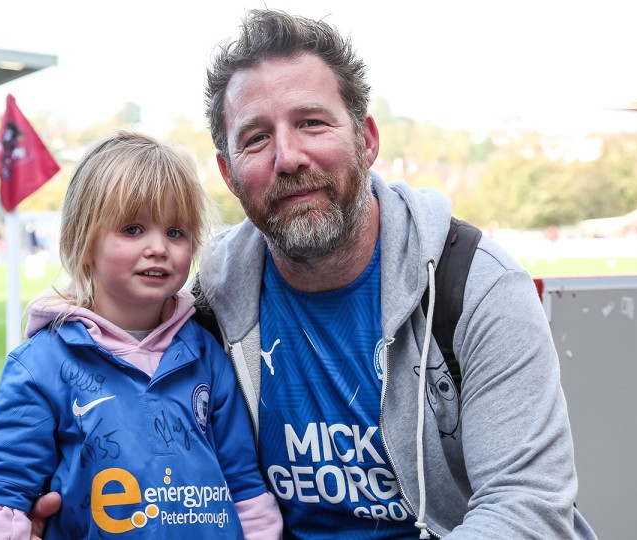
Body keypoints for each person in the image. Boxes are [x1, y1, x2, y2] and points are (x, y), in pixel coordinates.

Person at [31, 9, 597, 540]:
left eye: (311, 123)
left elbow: (527, 507)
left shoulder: (475, 286)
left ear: (367, 140)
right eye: (256, 138)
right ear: (229, 174)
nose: (289, 156)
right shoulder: (210, 302)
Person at [0, 131, 282, 539]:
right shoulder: (39, 368)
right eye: (133, 229)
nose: (158, 248)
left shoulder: (208, 355)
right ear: (82, 242)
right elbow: (3, 496)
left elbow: (245, 488)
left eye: (175, 232)